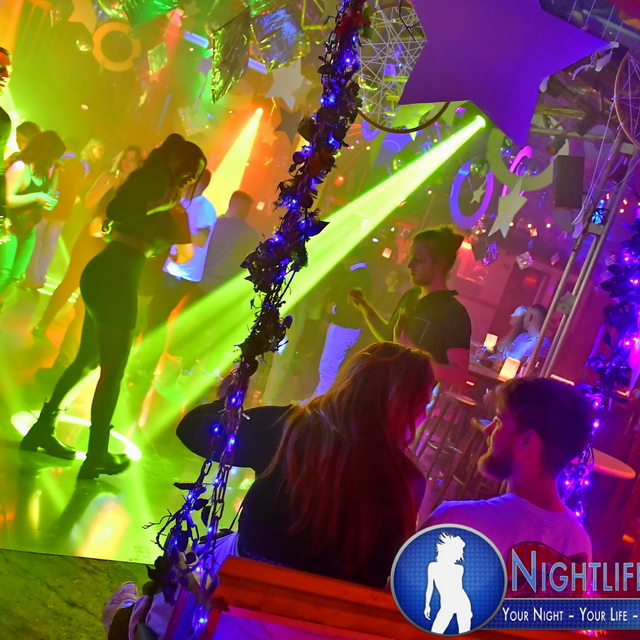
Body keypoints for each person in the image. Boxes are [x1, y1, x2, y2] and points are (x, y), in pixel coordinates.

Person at [21, 134, 206, 481]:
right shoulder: (157, 186)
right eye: (190, 168)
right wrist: (163, 207)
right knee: (112, 371)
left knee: (87, 361)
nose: (191, 177)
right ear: (175, 161)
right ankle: (96, 455)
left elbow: (175, 250)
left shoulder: (160, 190)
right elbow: (118, 214)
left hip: (109, 273)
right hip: (116, 278)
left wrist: (171, 215)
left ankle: (42, 429)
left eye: (197, 173)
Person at [178, 341, 434, 587]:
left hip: (244, 583)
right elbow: (383, 571)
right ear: (408, 408)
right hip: (324, 610)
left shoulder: (285, 428)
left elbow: (192, 430)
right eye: (423, 405)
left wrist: (228, 398)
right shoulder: (407, 480)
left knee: (188, 562)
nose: (424, 416)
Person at [422, 377, 593, 597]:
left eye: (499, 421)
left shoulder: (457, 522)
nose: (488, 430)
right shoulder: (578, 543)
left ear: (527, 441)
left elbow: (396, 607)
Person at [32, 146, 145, 383]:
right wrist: (108, 184)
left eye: (133, 160)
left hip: (108, 243)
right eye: (125, 157)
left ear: (139, 165)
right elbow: (88, 202)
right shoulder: (107, 176)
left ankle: (68, 354)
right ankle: (44, 321)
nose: (127, 162)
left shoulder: (137, 189)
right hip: (88, 238)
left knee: (86, 298)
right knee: (70, 282)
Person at [349, 226, 471, 388]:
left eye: (418, 260)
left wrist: (411, 351)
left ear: (439, 264)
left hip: (410, 399)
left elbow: (459, 375)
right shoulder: (410, 296)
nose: (410, 265)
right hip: (384, 389)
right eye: (410, 257)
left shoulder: (454, 313)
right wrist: (365, 308)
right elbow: (391, 338)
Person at [133, 168, 216, 392]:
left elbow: (201, 239)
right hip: (170, 267)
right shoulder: (182, 202)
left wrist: (178, 229)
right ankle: (142, 362)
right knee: (153, 314)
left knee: (157, 316)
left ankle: (145, 367)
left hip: (182, 273)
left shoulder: (205, 207)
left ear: (200, 182)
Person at [0, 131, 65, 303]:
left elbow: (49, 193)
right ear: (45, 152)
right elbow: (7, 199)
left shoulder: (42, 171)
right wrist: (36, 196)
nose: (56, 160)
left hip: (28, 228)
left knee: (15, 275)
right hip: (7, 225)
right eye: (55, 157)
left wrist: (56, 172)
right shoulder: (20, 167)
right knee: (4, 273)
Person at [21, 142, 86, 289]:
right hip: (64, 212)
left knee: (35, 242)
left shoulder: (56, 162)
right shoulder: (81, 166)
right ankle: (41, 276)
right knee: (50, 245)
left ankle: (33, 278)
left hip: (46, 208)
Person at [310, 248, 372, 398]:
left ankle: (319, 402)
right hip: (345, 326)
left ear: (352, 256)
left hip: (344, 326)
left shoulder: (360, 276)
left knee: (328, 368)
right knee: (330, 367)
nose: (343, 260)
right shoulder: (359, 275)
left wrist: (334, 309)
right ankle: (318, 398)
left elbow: (355, 304)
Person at [197, 190, 259, 295]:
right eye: (247, 209)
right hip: (225, 289)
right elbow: (255, 262)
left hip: (201, 282)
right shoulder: (251, 233)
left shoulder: (213, 223)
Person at [425, 532, 472, 634]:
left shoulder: (459, 568)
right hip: (446, 605)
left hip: (462, 603)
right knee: (435, 631)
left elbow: (458, 588)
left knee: (464, 634)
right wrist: (427, 605)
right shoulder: (433, 566)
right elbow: (429, 587)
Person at [0, 47, 12, 245]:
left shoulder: (2, 120)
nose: (6, 76)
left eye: (9, 71)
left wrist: (2, 213)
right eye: (1, 68)